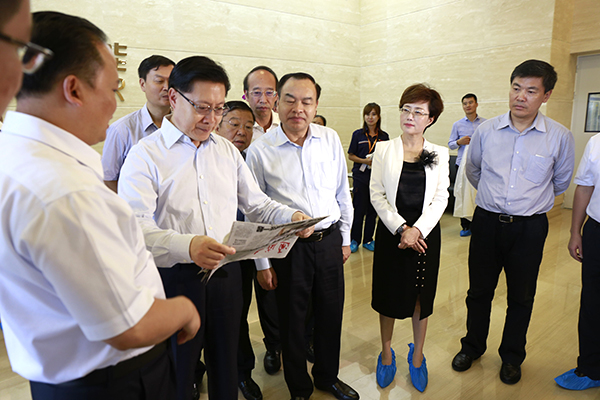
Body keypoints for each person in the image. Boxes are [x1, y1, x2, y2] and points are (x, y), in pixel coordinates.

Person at [0, 11, 200, 400]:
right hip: (115, 382)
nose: (113, 104)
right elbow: (127, 326)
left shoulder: (14, 152)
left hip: (58, 380)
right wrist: (184, 310)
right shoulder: (65, 191)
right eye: (112, 89)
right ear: (74, 90)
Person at [118, 56, 312, 400]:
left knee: (227, 363)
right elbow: (134, 228)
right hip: (174, 278)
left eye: (218, 108)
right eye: (202, 107)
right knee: (179, 369)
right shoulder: (145, 155)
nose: (211, 118)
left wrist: (292, 217)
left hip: (226, 274)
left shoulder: (225, 151)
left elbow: (257, 204)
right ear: (174, 97)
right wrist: (188, 246)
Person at [452, 59, 575, 385]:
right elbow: (474, 171)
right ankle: (472, 347)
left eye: (531, 91)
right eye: (516, 88)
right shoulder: (486, 131)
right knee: (479, 291)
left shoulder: (559, 137)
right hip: (486, 222)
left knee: (521, 296)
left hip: (529, 228)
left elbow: (560, 182)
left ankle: (511, 357)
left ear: (546, 95)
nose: (520, 96)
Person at [246, 72, 358, 400]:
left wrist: (345, 238)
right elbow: (255, 212)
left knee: (330, 314)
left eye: (307, 101)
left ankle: (327, 377)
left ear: (316, 105)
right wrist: (262, 263)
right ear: (276, 103)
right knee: (292, 321)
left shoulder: (329, 139)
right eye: (290, 100)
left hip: (329, 241)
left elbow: (342, 192)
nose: (298, 108)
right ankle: (299, 388)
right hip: (288, 248)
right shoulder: (260, 150)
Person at [370, 84, 448, 392]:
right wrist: (403, 229)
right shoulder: (383, 149)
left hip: (425, 237)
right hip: (393, 234)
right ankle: (386, 353)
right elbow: (376, 195)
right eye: (406, 109)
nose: (410, 116)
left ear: (430, 119)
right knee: (388, 296)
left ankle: (417, 356)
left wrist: (418, 230)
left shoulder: (439, 153)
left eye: (418, 111)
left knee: (420, 297)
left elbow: (441, 197)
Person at [215, 100, 263, 400]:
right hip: (201, 252)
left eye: (248, 126)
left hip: (242, 254)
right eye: (234, 124)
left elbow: (259, 207)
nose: (241, 132)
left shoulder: (251, 160)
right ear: (218, 124)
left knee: (237, 316)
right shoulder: (207, 158)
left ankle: (242, 373)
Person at [555, 133, 600, 391]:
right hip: (597, 231)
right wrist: (575, 232)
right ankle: (591, 368)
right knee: (593, 302)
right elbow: (585, 187)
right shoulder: (597, 142)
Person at [102, 54, 175, 192]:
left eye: (171, 81)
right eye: (159, 81)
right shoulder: (121, 130)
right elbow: (108, 179)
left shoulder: (185, 127)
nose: (166, 87)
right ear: (142, 84)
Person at [348, 102, 390, 253]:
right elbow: (351, 155)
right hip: (361, 177)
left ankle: (368, 239)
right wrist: (365, 161)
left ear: (378, 116)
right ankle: (354, 240)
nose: (370, 117)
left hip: (377, 178)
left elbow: (386, 157)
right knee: (359, 209)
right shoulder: (358, 135)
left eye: (373, 114)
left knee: (373, 210)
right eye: (367, 114)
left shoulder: (384, 137)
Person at [448, 94, 486, 236]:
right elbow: (451, 144)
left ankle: (480, 224)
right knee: (463, 195)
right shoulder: (457, 125)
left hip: (481, 166)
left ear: (476, 104)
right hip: (462, 166)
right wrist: (459, 142)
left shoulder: (485, 124)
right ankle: (465, 226)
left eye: (470, 102)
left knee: (480, 195)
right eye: (465, 103)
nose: (468, 105)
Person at [244, 65, 279, 142]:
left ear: (276, 95)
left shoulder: (285, 125)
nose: (263, 100)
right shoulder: (240, 129)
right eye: (257, 93)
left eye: (269, 93)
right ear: (246, 95)